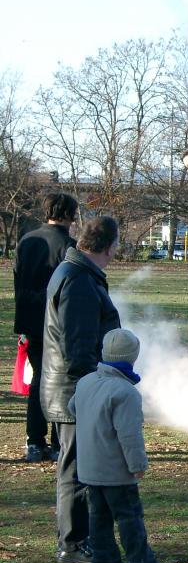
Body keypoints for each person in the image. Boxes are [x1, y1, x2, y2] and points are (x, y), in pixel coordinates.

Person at [40, 216, 122, 563]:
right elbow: (79, 348)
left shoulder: (75, 272)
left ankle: (77, 538)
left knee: (75, 466)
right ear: (107, 245)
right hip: (74, 392)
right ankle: (72, 543)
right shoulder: (78, 281)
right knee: (75, 470)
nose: (118, 251)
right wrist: (95, 392)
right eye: (116, 244)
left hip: (70, 389)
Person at [68, 328, 172, 563]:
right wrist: (138, 465)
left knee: (98, 517)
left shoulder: (86, 382)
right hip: (116, 471)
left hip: (90, 468)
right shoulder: (125, 392)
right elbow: (129, 435)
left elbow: (72, 409)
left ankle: (104, 562)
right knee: (129, 518)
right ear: (132, 358)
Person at [13, 193, 78, 462]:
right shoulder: (69, 245)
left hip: (30, 319)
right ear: (67, 215)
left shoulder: (27, 241)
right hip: (57, 322)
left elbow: (18, 281)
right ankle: (57, 440)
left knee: (39, 378)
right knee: (60, 381)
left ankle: (34, 441)